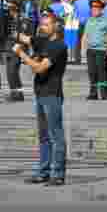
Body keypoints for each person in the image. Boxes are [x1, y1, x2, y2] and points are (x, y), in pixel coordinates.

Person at [15, 11, 68, 186]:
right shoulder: (43, 41)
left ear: (56, 26)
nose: (42, 27)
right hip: (40, 94)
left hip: (52, 94)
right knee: (44, 137)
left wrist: (22, 55)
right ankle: (43, 172)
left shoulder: (59, 46)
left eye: (46, 25)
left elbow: (39, 68)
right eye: (41, 24)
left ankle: (58, 174)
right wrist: (16, 20)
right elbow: (24, 38)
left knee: (56, 136)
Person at [83, 0, 107, 100]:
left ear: (101, 9)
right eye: (92, 7)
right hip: (90, 50)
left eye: (97, 7)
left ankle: (104, 94)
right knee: (92, 72)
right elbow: (85, 35)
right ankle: (93, 93)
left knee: (102, 73)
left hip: (101, 50)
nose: (94, 9)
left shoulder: (106, 21)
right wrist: (83, 48)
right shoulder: (89, 20)